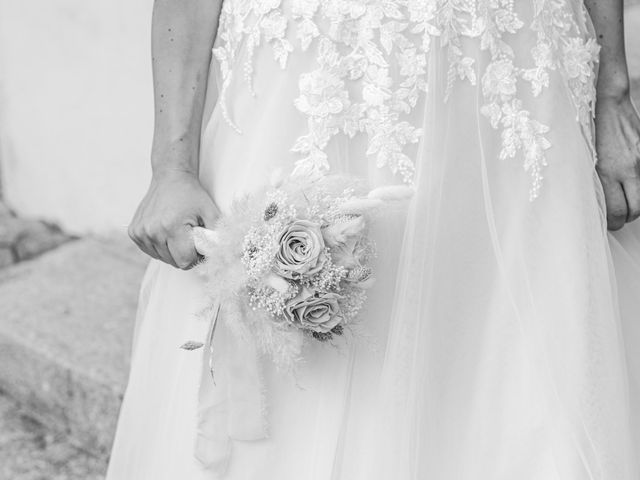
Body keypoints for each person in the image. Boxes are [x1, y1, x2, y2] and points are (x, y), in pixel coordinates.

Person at [107, 0, 640, 478]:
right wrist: (170, 165)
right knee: (308, 382)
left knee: (508, 354)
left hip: (512, 78)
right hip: (308, 84)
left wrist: (612, 90)